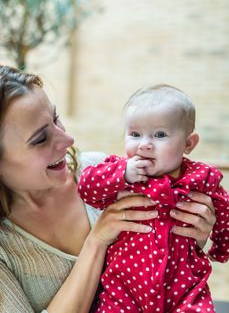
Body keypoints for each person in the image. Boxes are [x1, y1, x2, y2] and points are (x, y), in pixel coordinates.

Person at [0, 66, 217, 313]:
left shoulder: (101, 170)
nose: (68, 140)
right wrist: (96, 241)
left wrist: (192, 234)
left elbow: (166, 265)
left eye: (56, 118)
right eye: (40, 138)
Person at [78, 84, 229, 313]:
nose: (144, 144)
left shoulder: (201, 177)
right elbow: (87, 187)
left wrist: (221, 248)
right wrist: (122, 175)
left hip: (184, 286)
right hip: (124, 287)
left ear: (188, 144)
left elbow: (225, 209)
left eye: (159, 135)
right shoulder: (119, 171)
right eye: (134, 134)